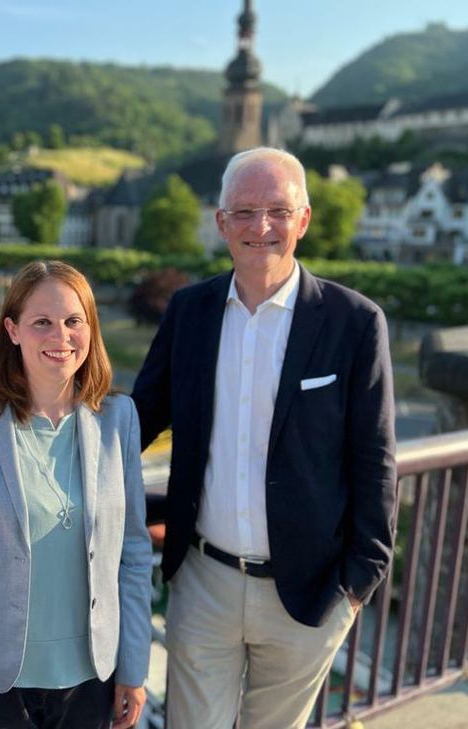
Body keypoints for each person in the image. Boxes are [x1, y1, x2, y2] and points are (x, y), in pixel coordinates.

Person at [131, 147, 397, 729]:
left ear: (303, 220)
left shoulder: (355, 323)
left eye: (279, 210)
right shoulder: (189, 311)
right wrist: (44, 432)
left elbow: (375, 463)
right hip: (203, 581)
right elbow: (136, 421)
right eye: (245, 212)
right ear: (221, 223)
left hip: (310, 591)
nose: (262, 227)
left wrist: (356, 587)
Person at [0, 261, 152, 729]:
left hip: (92, 679)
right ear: (13, 330)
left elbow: (132, 550)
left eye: (73, 321)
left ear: (91, 328)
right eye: (41, 322)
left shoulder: (118, 419)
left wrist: (134, 666)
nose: (60, 336)